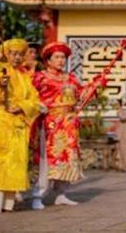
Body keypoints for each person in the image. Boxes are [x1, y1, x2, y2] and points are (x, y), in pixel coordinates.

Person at [0, 38, 41, 213]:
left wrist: (21, 106)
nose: (17, 57)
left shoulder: (23, 77)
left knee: (14, 164)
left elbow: (34, 100)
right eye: (13, 53)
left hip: (17, 125)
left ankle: (8, 204)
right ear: (6, 54)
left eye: (20, 54)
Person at [31, 41, 84, 209]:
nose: (61, 60)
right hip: (50, 124)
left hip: (68, 125)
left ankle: (61, 194)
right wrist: (39, 106)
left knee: (68, 159)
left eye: (63, 57)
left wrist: (96, 85)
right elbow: (30, 95)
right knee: (48, 160)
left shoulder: (71, 78)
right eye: (57, 57)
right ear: (48, 60)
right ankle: (38, 196)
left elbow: (81, 94)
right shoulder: (40, 77)